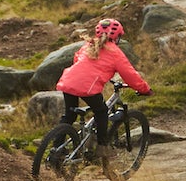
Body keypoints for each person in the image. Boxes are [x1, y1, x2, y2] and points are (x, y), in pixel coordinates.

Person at [55, 18, 150, 158]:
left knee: (69, 115)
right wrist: (144, 89)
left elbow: (77, 60)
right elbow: (130, 74)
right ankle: (102, 147)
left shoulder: (89, 44)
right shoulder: (115, 52)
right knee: (101, 111)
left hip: (68, 81)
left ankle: (56, 150)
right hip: (88, 87)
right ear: (117, 37)